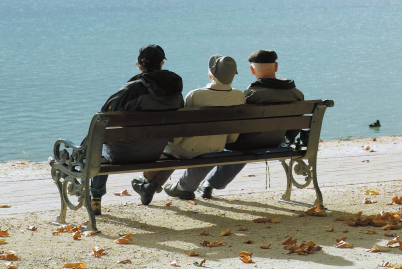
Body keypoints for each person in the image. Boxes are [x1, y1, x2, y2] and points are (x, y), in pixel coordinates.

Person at [132, 54, 245, 204]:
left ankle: (145, 182)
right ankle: (151, 186)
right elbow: (232, 138)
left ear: (211, 74)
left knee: (170, 148)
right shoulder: (239, 96)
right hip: (215, 149)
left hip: (187, 149)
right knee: (179, 149)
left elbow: (181, 130)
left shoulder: (196, 95)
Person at [197, 48, 304, 200]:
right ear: (276, 67)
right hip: (277, 142)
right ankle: (210, 183)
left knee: (240, 144)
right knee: (249, 142)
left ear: (252, 70)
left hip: (249, 143)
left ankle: (208, 184)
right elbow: (294, 130)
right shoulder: (296, 94)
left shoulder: (253, 94)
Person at [89, 44, 183, 216]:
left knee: (99, 142)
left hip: (124, 154)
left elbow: (104, 115)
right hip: (155, 152)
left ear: (140, 64)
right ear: (162, 63)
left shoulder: (133, 89)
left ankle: (95, 196)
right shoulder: (175, 92)